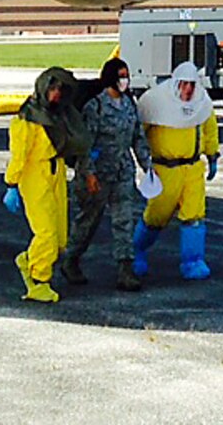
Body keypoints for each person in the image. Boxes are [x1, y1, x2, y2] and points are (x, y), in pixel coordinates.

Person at [65, 56, 152, 291]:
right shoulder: (95, 106)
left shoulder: (129, 104)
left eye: (126, 76)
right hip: (98, 174)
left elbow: (137, 138)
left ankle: (125, 269)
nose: (124, 80)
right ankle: (70, 259)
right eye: (120, 76)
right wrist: (89, 175)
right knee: (88, 221)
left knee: (124, 221)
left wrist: (147, 166)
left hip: (123, 171)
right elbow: (86, 145)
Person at [4, 66, 89, 303]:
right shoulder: (27, 120)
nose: (56, 95)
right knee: (47, 234)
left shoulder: (58, 115)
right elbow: (19, 155)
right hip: (34, 175)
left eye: (60, 90)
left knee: (61, 238)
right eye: (52, 89)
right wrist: (12, 184)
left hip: (56, 171)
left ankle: (30, 260)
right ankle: (38, 281)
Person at [131, 61, 221, 281]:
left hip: (192, 169)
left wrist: (212, 154)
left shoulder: (202, 104)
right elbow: (138, 131)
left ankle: (193, 261)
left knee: (194, 216)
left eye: (192, 84)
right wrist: (140, 158)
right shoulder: (156, 102)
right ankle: (135, 252)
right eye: (184, 84)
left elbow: (209, 129)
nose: (188, 89)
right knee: (155, 217)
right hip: (165, 169)